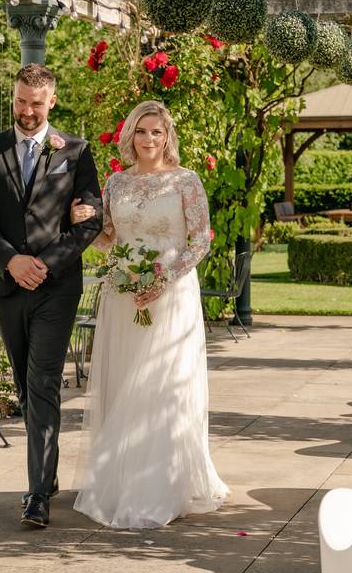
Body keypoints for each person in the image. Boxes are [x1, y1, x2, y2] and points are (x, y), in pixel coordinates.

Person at [69, 100, 228, 529]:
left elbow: (200, 241)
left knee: (163, 386)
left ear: (167, 136)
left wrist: (164, 278)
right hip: (124, 296)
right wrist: (83, 219)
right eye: (142, 131)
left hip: (171, 296)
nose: (149, 139)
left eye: (157, 132)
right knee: (124, 385)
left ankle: (164, 483)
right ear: (130, 136)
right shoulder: (116, 184)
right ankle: (121, 481)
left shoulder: (185, 182)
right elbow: (107, 240)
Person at [0, 64, 103, 528]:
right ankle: (48, 472)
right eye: (21, 101)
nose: (27, 111)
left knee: (42, 384)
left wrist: (45, 263)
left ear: (52, 102)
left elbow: (90, 220)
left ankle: (37, 495)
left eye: (36, 104)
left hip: (56, 288)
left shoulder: (77, 152)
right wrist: (10, 261)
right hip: (7, 286)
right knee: (27, 389)